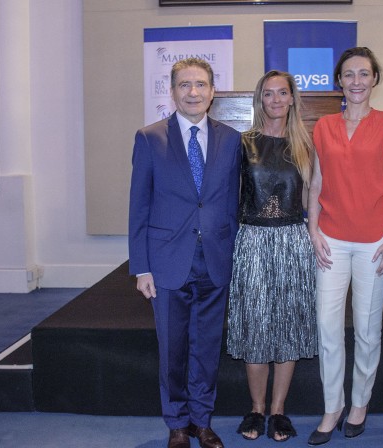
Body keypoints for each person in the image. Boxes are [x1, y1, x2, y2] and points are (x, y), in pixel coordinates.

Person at [128, 57, 241, 448]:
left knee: (207, 349)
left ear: (212, 91)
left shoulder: (231, 139)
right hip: (166, 264)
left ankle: (201, 420)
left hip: (214, 260)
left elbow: (230, 204)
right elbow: (138, 207)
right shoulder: (149, 138)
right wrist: (141, 267)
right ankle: (177, 423)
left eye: (201, 85)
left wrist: (232, 255)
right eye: (185, 85)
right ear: (172, 91)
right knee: (172, 350)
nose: (193, 92)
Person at [306, 46, 383, 446]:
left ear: (375, 78)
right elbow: (315, 183)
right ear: (339, 81)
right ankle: (333, 406)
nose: (356, 81)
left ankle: (360, 402)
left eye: (364, 73)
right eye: (349, 74)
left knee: (366, 330)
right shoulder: (324, 126)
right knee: (328, 327)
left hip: (375, 242)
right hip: (330, 238)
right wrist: (313, 230)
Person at [226, 70, 318, 442]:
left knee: (288, 329)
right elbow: (228, 197)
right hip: (252, 240)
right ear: (259, 100)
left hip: (294, 241)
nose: (276, 100)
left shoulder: (306, 144)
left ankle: (278, 410)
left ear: (293, 98)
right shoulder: (242, 144)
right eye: (268, 94)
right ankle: (256, 408)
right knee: (256, 328)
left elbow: (315, 199)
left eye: (283, 93)